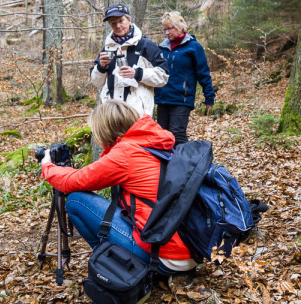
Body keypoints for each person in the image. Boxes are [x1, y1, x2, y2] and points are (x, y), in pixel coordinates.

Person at [41, 99, 197, 274]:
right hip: (189, 251)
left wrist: (47, 165)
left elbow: (72, 181)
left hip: (164, 257)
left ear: (103, 131)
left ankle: (116, 266)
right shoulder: (154, 143)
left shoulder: (125, 153)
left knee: (76, 200)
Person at [90, 4, 169, 117]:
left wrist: (138, 73)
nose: (118, 26)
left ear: (129, 20)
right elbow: (96, 82)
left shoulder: (146, 45)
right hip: (111, 113)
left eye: (121, 21)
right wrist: (101, 67)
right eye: (113, 23)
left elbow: (163, 77)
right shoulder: (108, 48)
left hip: (138, 113)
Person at [154, 12, 215, 146]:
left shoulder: (193, 47)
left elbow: (203, 73)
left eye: (170, 28)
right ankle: (165, 166)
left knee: (177, 135)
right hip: (163, 98)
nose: (167, 32)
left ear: (180, 27)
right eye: (165, 29)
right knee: (162, 136)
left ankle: (184, 165)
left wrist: (209, 96)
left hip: (182, 99)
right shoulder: (162, 47)